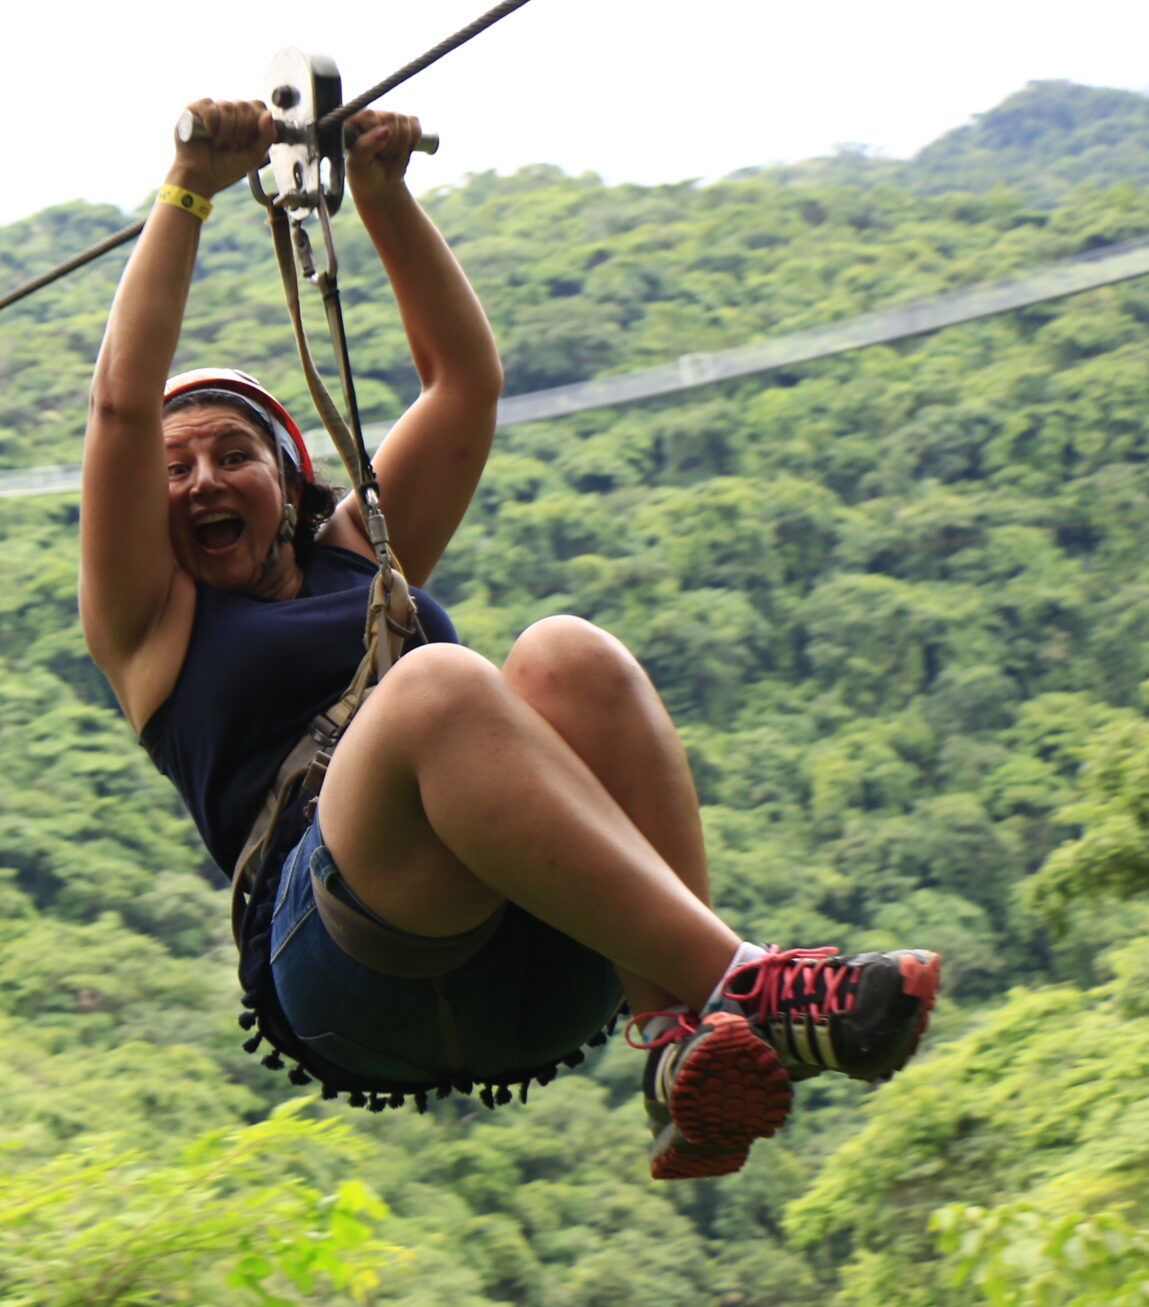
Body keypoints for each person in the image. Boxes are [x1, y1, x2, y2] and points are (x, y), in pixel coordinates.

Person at [78, 97, 942, 1179]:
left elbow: (464, 383)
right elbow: (119, 411)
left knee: (568, 654)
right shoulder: (151, 625)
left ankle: (678, 1036)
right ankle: (740, 983)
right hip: (344, 961)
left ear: (288, 484)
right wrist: (187, 192)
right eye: (174, 469)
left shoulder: (361, 554)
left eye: (232, 455)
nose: (202, 479)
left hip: (530, 956)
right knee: (438, 683)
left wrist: (384, 197)